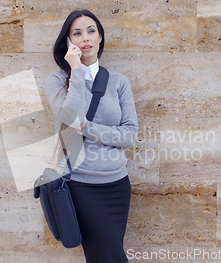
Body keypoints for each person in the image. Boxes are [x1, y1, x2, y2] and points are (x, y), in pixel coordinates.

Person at [44, 9, 138, 263]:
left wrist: (87, 128)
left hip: (117, 184)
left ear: (99, 38)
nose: (85, 37)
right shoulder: (56, 80)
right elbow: (70, 117)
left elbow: (129, 135)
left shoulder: (118, 82)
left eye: (91, 31)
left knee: (106, 255)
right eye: (76, 33)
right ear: (68, 42)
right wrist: (76, 70)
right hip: (81, 185)